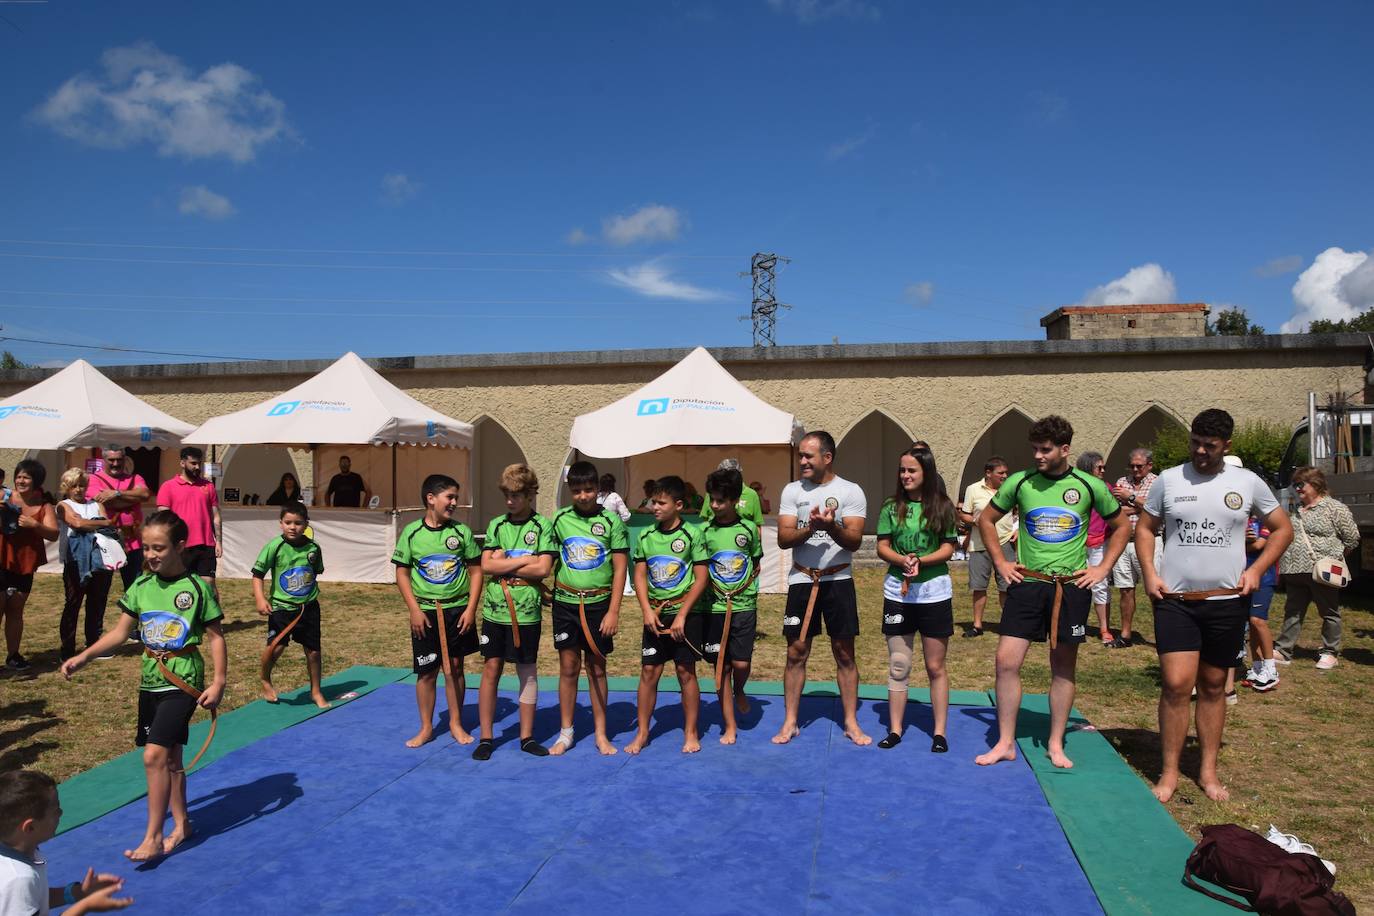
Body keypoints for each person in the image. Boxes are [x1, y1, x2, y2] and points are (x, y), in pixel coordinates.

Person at [1138, 409, 1291, 802]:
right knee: (1175, 685)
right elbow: (1144, 527)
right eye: (1195, 443)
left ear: (1227, 445)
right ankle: (1169, 773)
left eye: (1210, 445)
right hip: (1175, 601)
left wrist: (1257, 569)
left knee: (1211, 687)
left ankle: (1207, 771)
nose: (1201, 451)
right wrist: (1150, 573)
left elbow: (1282, 528)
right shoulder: (1170, 480)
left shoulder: (1247, 482)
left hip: (1226, 602)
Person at [61, 509, 227, 861]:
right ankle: (182, 824)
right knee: (171, 758)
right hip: (150, 681)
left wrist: (219, 681)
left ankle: (153, 836)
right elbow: (120, 633)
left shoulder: (197, 588)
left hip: (183, 680)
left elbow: (215, 637)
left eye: (159, 548)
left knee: (154, 755)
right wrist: (85, 656)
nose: (150, 555)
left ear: (179, 547)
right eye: (147, 547)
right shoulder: (140, 585)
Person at [974, 416, 1129, 769]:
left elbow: (1120, 526)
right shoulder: (1021, 482)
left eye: (1046, 450)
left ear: (1065, 449)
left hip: (1070, 589)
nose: (1039, 456)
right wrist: (1001, 563)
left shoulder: (1088, 486)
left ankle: (1056, 743)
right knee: (1006, 662)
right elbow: (985, 520)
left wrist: (1102, 568)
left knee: (1062, 667)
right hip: (1027, 584)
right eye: (1035, 449)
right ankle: (1005, 741)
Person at [773, 431, 869, 746]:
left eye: (808, 456)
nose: (802, 461)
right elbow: (784, 539)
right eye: (800, 455)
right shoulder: (792, 491)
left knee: (844, 652)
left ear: (826, 457)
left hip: (838, 581)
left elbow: (854, 541)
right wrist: (811, 528)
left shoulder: (850, 491)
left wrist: (832, 527)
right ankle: (790, 721)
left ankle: (851, 722)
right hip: (803, 581)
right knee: (796, 652)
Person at [875, 447, 958, 752]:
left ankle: (939, 732)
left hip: (934, 592)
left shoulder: (942, 506)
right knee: (899, 664)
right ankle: (895, 730)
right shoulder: (889, 507)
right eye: (902, 470)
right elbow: (882, 545)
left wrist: (923, 560)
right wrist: (901, 559)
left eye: (912, 470)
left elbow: (949, 547)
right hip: (898, 592)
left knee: (935, 666)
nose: (905, 476)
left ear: (926, 473)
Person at [392, 474, 482, 748]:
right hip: (426, 613)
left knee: (455, 667)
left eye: (456, 497)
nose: (454, 502)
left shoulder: (461, 532)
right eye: (450, 497)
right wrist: (414, 610)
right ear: (431, 499)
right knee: (427, 670)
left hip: (457, 611)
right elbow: (402, 572)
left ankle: (456, 722)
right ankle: (426, 727)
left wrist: (470, 609)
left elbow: (477, 571)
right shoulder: (412, 533)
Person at [624, 476, 711, 754]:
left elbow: (701, 578)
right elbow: (638, 576)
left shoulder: (692, 535)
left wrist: (683, 615)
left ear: (678, 504)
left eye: (661, 502)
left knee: (686, 671)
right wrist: (646, 611)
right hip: (655, 615)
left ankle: (691, 731)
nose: (655, 507)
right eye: (653, 502)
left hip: (685, 614)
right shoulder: (646, 536)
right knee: (649, 671)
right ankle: (642, 732)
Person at [475, 464, 555, 760]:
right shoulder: (497, 525)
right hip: (495, 609)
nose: (511, 501)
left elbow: (544, 568)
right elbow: (486, 566)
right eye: (507, 495)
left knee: (527, 670)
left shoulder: (542, 526)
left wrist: (504, 559)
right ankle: (485, 737)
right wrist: (524, 561)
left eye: (517, 495)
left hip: (527, 612)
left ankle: (527, 736)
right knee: (491, 669)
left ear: (530, 494)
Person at [549, 462, 629, 756]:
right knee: (568, 668)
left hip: (598, 606)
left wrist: (614, 611)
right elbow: (546, 560)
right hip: (566, 604)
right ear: (570, 491)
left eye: (589, 490)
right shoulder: (558, 520)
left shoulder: (611, 522)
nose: (583, 496)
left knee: (596, 668)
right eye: (577, 490)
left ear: (598, 490)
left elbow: (621, 570)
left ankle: (600, 733)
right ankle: (566, 732)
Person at [0, 769, 132, 914]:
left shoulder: (23, 852)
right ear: (30, 827)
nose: (61, 813)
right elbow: (24, 895)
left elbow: (32, 899)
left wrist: (78, 892)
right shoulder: (18, 880)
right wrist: (85, 905)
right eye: (56, 810)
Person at [698, 466, 764, 745]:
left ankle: (740, 690)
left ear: (735, 500)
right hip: (713, 608)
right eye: (712, 499)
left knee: (740, 662)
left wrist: (743, 587)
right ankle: (730, 725)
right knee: (720, 667)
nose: (714, 505)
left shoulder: (748, 529)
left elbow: (755, 563)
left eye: (720, 501)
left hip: (743, 605)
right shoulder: (703, 531)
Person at [1274, 466, 1359, 670]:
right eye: (1295, 485)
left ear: (1315, 484)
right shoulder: (1295, 510)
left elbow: (1352, 537)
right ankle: (1284, 650)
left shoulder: (1334, 508)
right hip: (1295, 570)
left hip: (1323, 571)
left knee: (1329, 611)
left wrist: (1335, 556)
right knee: (1292, 611)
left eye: (1300, 484)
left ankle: (1330, 652)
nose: (1297, 488)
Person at [253, 501, 328, 708]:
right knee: (275, 649)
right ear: (280, 523)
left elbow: (316, 572)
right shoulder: (274, 547)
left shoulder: (313, 549)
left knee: (313, 652)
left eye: (297, 523)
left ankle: (316, 691)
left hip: (309, 608)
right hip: (282, 609)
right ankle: (265, 678)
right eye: (288, 522)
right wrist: (260, 599)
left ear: (306, 524)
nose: (292, 527)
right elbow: (257, 574)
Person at [2, 460, 58, 672]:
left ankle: (13, 655)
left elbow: (53, 534)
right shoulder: (3, 497)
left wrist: (35, 525)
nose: (21, 480)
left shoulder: (44, 505)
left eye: (26, 477)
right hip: (1, 558)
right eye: (18, 476)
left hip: (24, 562)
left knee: (15, 609)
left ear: (36, 481)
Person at [57, 469, 116, 662]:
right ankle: (67, 648)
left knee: (97, 601)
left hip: (99, 558)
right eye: (74, 486)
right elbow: (76, 523)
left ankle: (93, 643)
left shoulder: (96, 503)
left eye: (82, 485)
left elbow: (109, 523)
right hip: (75, 560)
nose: (78, 490)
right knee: (73, 603)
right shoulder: (63, 505)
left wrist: (91, 523)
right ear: (67, 488)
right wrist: (97, 522)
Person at [959, 456, 1015, 638]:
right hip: (979, 545)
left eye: (1006, 472)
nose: (1005, 476)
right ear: (988, 473)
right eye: (1001, 473)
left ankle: (1008, 624)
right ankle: (977, 626)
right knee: (979, 586)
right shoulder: (973, 489)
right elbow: (964, 515)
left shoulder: (1009, 489)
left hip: (1005, 542)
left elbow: (1021, 511)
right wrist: (978, 520)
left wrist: (1018, 529)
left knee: (1007, 587)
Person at [155, 447, 222, 596]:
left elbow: (216, 516)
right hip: (180, 546)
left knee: (208, 584)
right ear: (182, 463)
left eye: (199, 463)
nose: (197, 467)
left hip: (206, 545)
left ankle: (213, 618)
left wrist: (219, 542)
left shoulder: (208, 486)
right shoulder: (168, 487)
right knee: (180, 586)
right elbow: (164, 520)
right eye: (193, 463)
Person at [1109, 448, 1158, 647]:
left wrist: (1129, 499)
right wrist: (1139, 504)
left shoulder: (1157, 482)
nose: (1135, 470)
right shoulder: (1122, 481)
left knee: (1155, 590)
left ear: (1149, 465)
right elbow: (1114, 511)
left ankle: (1162, 634)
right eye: (1132, 466)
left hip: (1150, 542)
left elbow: (1156, 509)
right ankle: (1125, 634)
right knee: (1125, 589)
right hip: (1124, 542)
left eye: (1140, 466)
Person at [87, 446, 151, 592]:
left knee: (135, 588)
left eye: (119, 460)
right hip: (105, 542)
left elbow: (145, 495)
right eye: (111, 460)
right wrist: (132, 497)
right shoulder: (93, 479)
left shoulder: (136, 478)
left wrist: (117, 493)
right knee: (99, 591)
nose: (116, 464)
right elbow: (103, 500)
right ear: (104, 460)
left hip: (133, 542)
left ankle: (132, 615)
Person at [1075, 452, 1116, 647]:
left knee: (1100, 585)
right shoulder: (1074, 487)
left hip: (1100, 543)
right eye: (1099, 467)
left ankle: (1104, 629)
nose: (1103, 471)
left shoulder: (1105, 488)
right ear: (1088, 468)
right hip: (1078, 543)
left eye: (1104, 467)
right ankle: (1076, 624)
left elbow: (1115, 512)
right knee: (1077, 584)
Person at [1241, 513, 1280, 692]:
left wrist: (1240, 542)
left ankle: (1271, 669)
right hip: (1243, 577)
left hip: (1264, 578)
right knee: (1250, 621)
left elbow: (1259, 544)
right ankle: (1257, 667)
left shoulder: (1264, 522)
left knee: (1258, 620)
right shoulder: (1243, 521)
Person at [698, 458, 765, 526]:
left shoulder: (751, 494)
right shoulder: (712, 493)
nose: (714, 505)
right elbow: (705, 518)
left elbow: (757, 524)